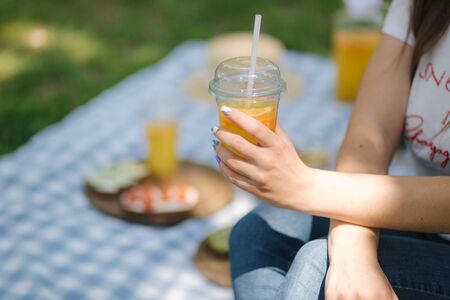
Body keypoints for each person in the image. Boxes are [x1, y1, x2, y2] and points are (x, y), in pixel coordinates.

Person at [212, 0, 450, 299]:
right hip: (425, 223)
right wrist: (353, 250)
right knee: (257, 233)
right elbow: (372, 130)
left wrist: (305, 187)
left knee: (316, 264)